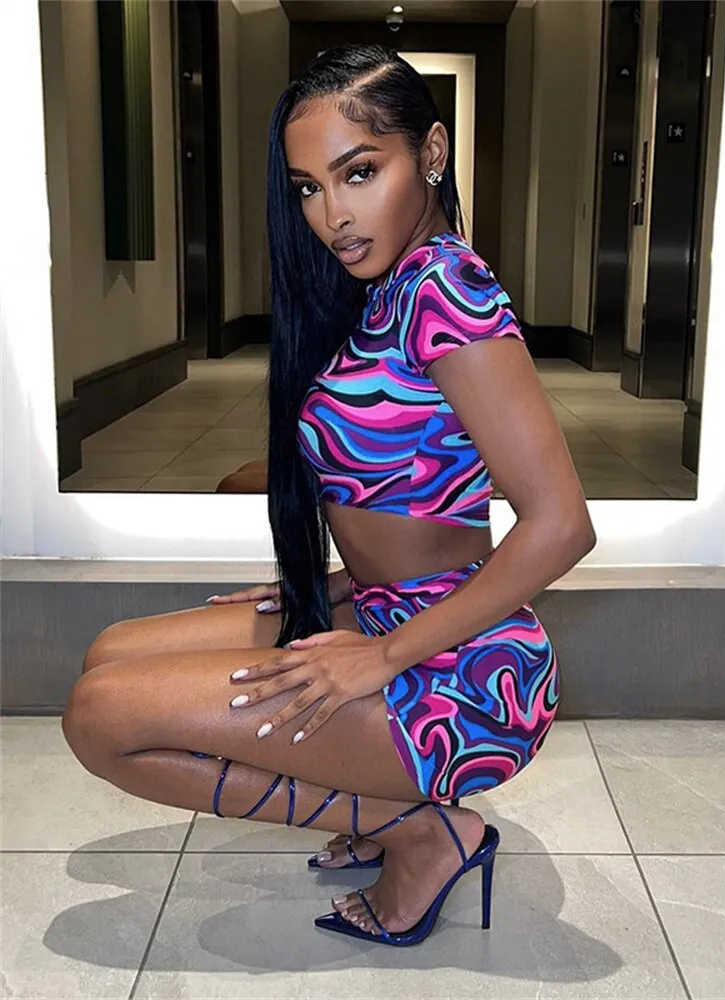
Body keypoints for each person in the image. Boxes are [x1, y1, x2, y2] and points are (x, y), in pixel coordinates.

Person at [62, 43, 596, 946]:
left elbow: (562, 527)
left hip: (461, 675)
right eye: (308, 187)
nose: (332, 214)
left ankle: (419, 832)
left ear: (431, 153)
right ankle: (385, 808)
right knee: (110, 656)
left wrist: (380, 657)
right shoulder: (386, 290)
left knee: (101, 720)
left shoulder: (448, 289)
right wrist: (333, 587)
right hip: (390, 607)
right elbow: (416, 492)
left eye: (359, 172)